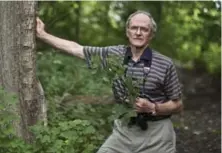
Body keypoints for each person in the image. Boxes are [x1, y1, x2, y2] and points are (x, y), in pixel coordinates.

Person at [36, 10, 183, 153]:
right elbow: (76, 49)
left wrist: (153, 107)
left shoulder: (165, 64)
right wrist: (42, 35)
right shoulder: (115, 54)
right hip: (124, 131)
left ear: (151, 35)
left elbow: (177, 105)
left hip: (157, 134)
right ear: (127, 32)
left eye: (144, 29)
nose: (138, 32)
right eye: (134, 28)